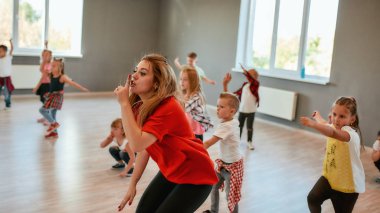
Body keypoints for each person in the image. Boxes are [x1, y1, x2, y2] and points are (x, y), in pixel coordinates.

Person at [115, 53, 218, 212]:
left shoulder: (168, 107)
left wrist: (123, 103)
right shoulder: (138, 107)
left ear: (156, 83)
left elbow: (136, 144)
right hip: (173, 170)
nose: (134, 76)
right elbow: (144, 149)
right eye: (135, 71)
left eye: (142, 73)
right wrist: (132, 184)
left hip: (197, 175)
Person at [300, 97, 365, 213]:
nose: (336, 119)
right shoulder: (333, 126)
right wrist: (317, 117)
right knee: (313, 198)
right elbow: (326, 124)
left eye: (342, 116)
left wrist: (312, 124)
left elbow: (333, 133)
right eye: (334, 114)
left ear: (352, 119)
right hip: (330, 178)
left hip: (347, 187)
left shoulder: (350, 135)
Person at [203, 92, 243, 213]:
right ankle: (214, 211)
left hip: (233, 167)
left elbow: (209, 143)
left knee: (230, 196)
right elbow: (230, 102)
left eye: (221, 107)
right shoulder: (231, 120)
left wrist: (193, 149)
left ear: (232, 111)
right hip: (223, 164)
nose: (217, 109)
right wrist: (225, 87)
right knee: (214, 186)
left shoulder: (227, 127)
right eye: (217, 106)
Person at [40, 58, 89, 139]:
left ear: (60, 68)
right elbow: (42, 70)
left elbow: (72, 83)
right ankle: (54, 133)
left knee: (42, 110)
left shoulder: (62, 77)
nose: (51, 67)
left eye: (54, 66)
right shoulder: (51, 74)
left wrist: (82, 88)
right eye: (51, 66)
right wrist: (44, 61)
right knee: (52, 114)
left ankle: (53, 124)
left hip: (57, 97)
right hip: (51, 96)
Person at [223, 65, 260, 150]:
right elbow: (235, 94)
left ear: (254, 77)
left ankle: (249, 142)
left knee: (249, 127)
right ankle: (237, 141)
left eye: (249, 75)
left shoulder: (255, 85)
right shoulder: (245, 85)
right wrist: (225, 86)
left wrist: (245, 71)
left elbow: (252, 80)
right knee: (239, 126)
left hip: (251, 111)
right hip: (243, 110)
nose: (248, 76)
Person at [179, 66, 213, 141]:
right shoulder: (185, 94)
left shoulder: (196, 96)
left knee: (196, 148)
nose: (181, 82)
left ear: (192, 81)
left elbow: (183, 108)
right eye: (180, 79)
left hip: (196, 131)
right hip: (189, 128)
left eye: (185, 80)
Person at [33, 41, 52, 125]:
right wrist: (45, 46)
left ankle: (49, 119)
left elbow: (43, 77)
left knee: (47, 102)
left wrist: (37, 87)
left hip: (49, 85)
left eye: (46, 56)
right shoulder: (43, 65)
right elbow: (42, 73)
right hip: (44, 85)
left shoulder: (51, 65)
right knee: (43, 100)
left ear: (50, 57)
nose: (44, 57)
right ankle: (45, 116)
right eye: (43, 55)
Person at [0, 39, 15, 110]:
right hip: (0, 77)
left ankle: (8, 105)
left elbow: (12, 49)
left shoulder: (8, 57)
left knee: (6, 92)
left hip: (6, 78)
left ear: (5, 52)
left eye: (1, 51)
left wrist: (10, 42)